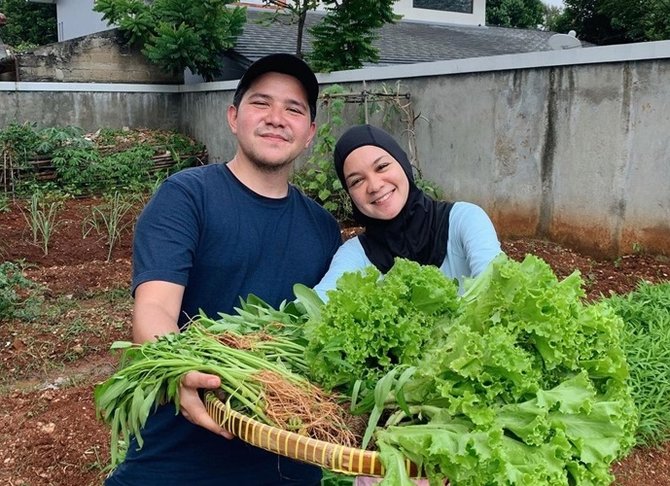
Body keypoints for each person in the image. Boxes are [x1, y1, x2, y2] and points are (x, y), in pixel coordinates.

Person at [105, 54, 342, 485]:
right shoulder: (187, 197)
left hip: (289, 459)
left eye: (294, 109)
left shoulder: (323, 228)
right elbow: (155, 306)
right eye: (261, 103)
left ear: (309, 134)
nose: (276, 118)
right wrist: (178, 369)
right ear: (233, 117)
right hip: (181, 456)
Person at [314, 124, 502, 301]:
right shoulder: (355, 254)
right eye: (357, 181)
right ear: (350, 195)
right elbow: (317, 304)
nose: (375, 185)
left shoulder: (464, 220)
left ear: (403, 164)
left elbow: (496, 285)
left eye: (382, 167)